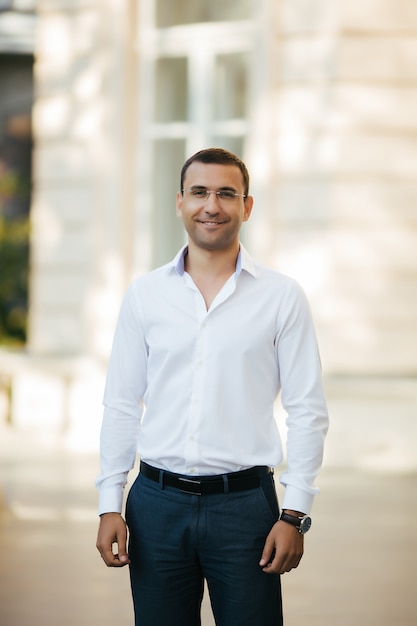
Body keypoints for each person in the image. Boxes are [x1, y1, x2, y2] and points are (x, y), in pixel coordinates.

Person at [96, 148, 328, 626]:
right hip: (155, 506)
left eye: (227, 193)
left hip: (246, 509)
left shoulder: (282, 297)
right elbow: (121, 403)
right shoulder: (145, 295)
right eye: (200, 192)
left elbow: (307, 410)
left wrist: (294, 513)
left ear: (247, 206)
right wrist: (108, 504)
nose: (212, 205)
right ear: (180, 202)